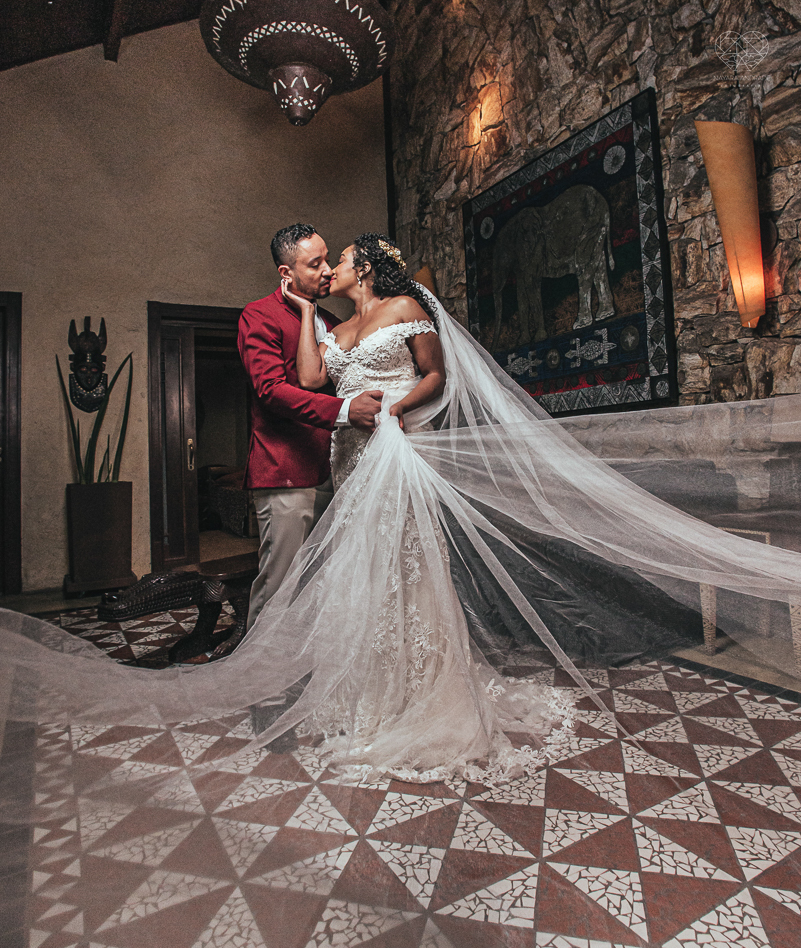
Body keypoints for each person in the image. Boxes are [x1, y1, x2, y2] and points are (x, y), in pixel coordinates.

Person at [4, 234, 801, 785]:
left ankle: (426, 697)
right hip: (346, 457)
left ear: (367, 269)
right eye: (321, 266)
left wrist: (389, 408)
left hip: (388, 447)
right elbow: (313, 384)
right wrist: (310, 318)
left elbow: (434, 379)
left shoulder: (407, 312)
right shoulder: (334, 319)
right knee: (356, 576)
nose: (331, 270)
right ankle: (355, 691)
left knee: (404, 573)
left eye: (339, 263)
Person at [238, 223, 383, 629]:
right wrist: (344, 410)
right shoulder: (259, 315)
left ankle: (304, 681)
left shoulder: (335, 320)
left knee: (323, 587)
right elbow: (271, 391)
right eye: (314, 263)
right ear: (286, 273)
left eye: (327, 258)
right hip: (287, 472)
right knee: (280, 587)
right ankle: (259, 685)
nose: (326, 270)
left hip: (338, 472)